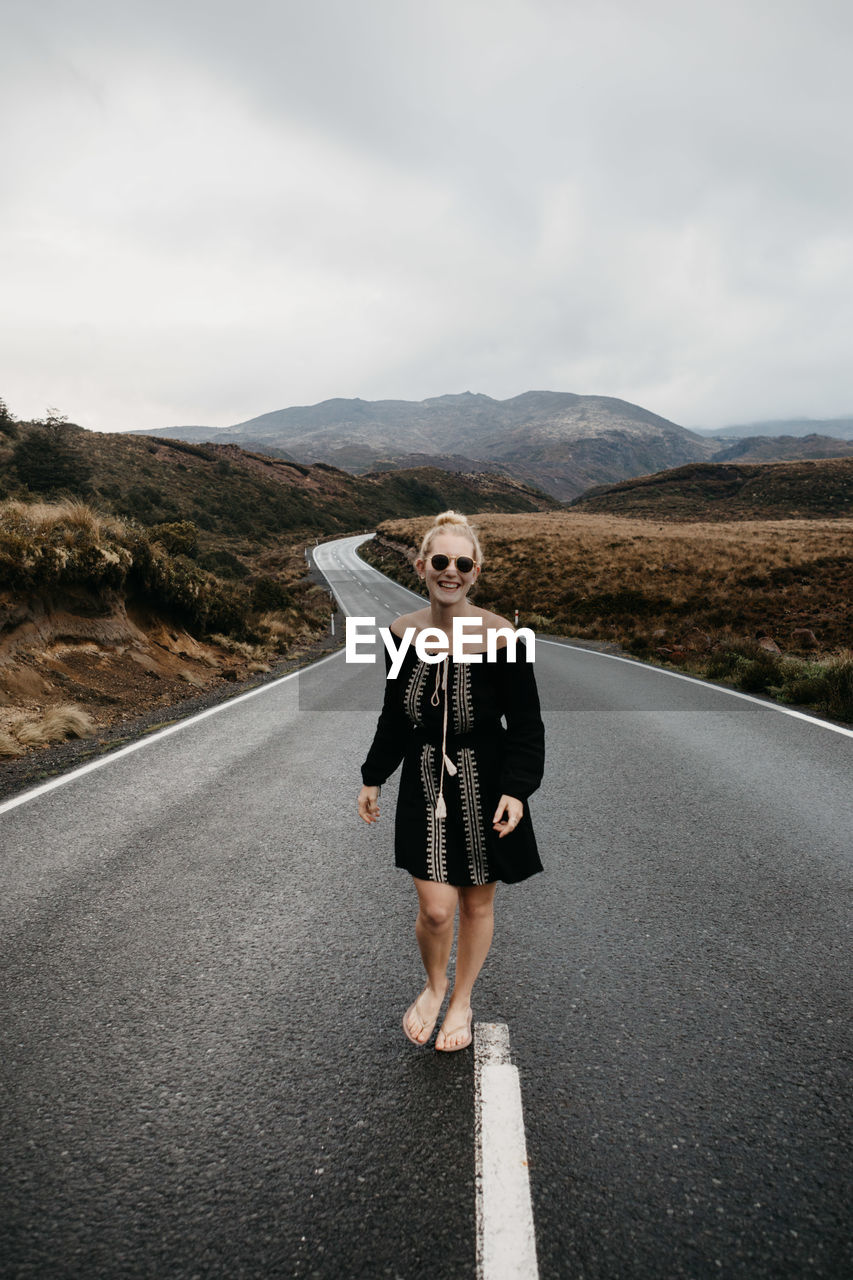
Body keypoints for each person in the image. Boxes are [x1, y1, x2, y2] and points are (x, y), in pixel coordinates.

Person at [357, 510, 545, 1052]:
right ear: (421, 565)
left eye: (464, 563)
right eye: (441, 560)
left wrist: (517, 790)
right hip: (422, 782)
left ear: (476, 571)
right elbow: (394, 717)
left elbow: (527, 725)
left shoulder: (505, 638)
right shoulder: (400, 634)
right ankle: (435, 985)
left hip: (487, 784)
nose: (452, 571)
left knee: (476, 905)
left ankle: (461, 998)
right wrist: (373, 777)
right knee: (437, 909)